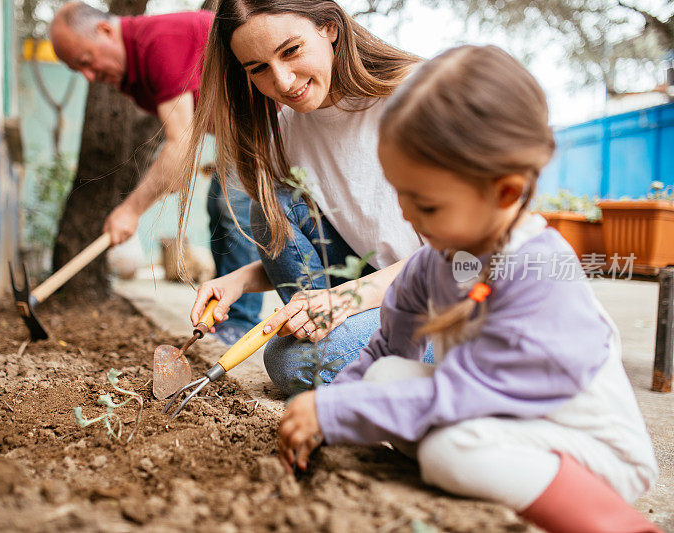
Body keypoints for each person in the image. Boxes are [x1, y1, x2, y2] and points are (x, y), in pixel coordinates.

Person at [277, 45, 661, 533]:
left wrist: (335, 410)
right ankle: (485, 479)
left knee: (448, 451)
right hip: (503, 420)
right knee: (384, 379)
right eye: (401, 197)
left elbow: (470, 390)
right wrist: (333, 411)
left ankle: (621, 524)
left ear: (504, 190)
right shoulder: (434, 262)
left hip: (588, 452)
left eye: (428, 205)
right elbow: (385, 349)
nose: (410, 218)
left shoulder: (537, 270)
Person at [178, 0, 430, 393]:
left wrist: (344, 298)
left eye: (290, 51)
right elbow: (316, 252)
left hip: (455, 307)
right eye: (258, 68)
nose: (282, 81)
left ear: (329, 27)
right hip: (380, 290)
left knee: (290, 360)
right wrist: (240, 281)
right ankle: (332, 339)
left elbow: (464, 257)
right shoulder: (289, 127)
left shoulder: (419, 95)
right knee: (272, 207)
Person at [49, 2, 263, 343]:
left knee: (232, 208)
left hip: (267, 122)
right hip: (238, 131)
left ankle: (240, 321)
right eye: (79, 70)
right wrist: (173, 173)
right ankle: (226, 316)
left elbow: (179, 142)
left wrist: (130, 210)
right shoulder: (136, 72)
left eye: (86, 61)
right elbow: (188, 127)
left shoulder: (157, 42)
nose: (89, 77)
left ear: (104, 31)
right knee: (218, 208)